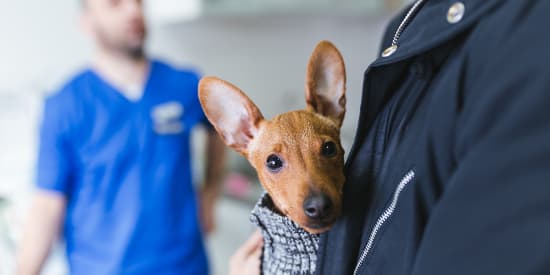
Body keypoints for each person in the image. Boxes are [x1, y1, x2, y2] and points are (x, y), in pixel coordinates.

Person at [231, 0, 550, 274]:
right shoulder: (407, 27)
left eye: (326, 150)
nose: (315, 198)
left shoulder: (525, 43)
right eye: (275, 162)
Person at [16, 0, 226, 274]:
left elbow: (221, 131)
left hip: (184, 265)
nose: (133, 11)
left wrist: (210, 193)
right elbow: (46, 205)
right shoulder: (65, 104)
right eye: (115, 4)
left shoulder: (185, 85)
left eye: (138, 2)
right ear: (87, 22)